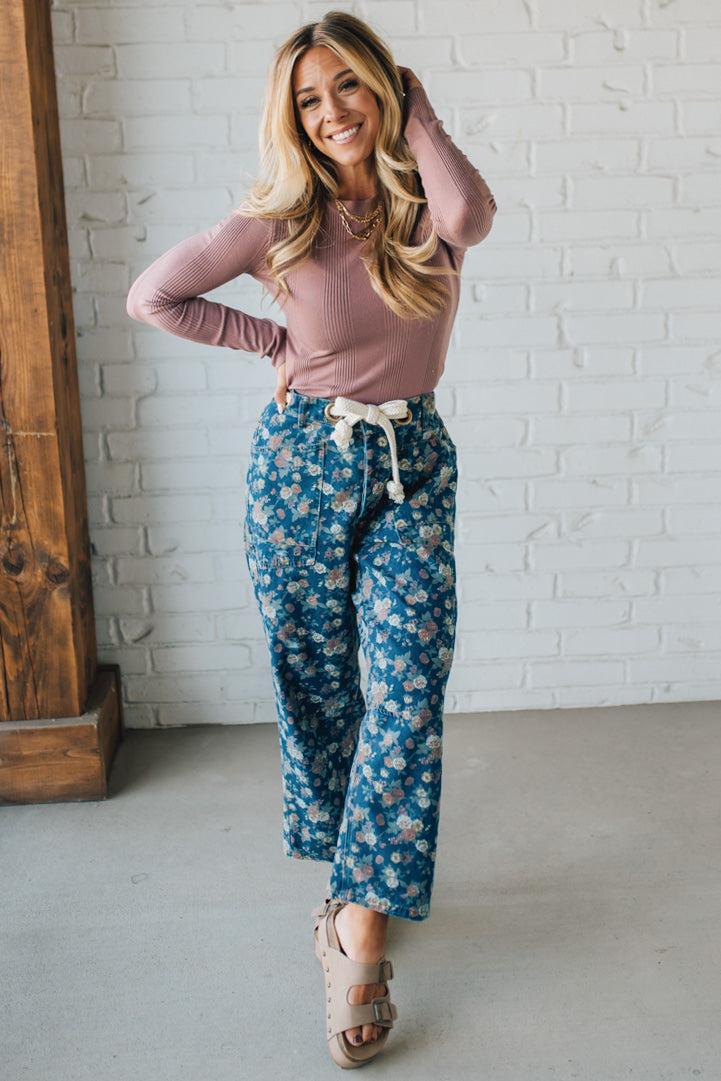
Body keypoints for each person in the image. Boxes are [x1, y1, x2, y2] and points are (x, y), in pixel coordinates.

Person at [126, 9, 497, 1068]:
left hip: (409, 464)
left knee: (410, 680)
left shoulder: (427, 203)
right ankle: (355, 867)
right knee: (318, 679)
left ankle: (359, 931)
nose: (330, 110)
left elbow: (473, 215)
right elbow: (155, 296)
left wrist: (419, 110)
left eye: (349, 86)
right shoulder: (280, 219)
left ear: (383, 88)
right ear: (287, 116)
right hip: (300, 463)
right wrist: (268, 342)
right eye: (307, 97)